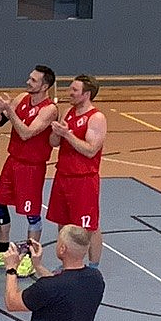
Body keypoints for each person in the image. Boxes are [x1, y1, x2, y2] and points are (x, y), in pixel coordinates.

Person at [0, 66, 58, 276]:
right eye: (29, 78)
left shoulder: (49, 109)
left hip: (32, 166)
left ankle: (31, 257)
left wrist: (10, 110)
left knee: (31, 213)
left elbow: (26, 133)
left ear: (45, 86)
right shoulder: (22, 98)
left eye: (33, 80)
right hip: (13, 161)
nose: (28, 82)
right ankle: (3, 250)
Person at [47, 75, 107, 269]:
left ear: (86, 94)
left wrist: (68, 134)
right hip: (63, 175)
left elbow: (90, 150)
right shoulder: (67, 112)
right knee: (63, 224)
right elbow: (53, 143)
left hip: (83, 179)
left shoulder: (96, 118)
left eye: (74, 90)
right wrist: (56, 132)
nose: (69, 93)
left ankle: (93, 266)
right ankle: (67, 264)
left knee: (88, 226)